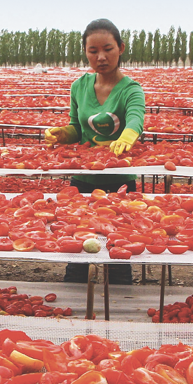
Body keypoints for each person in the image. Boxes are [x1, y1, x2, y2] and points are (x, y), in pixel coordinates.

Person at [45, 19, 146, 285]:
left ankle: (120, 307)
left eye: (108, 49)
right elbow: (77, 128)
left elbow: (136, 117)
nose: (100, 57)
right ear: (86, 52)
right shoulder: (79, 86)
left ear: (121, 48)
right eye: (93, 51)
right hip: (82, 180)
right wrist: (64, 134)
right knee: (78, 246)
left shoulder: (131, 89)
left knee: (120, 248)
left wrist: (129, 134)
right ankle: (74, 312)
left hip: (120, 181)